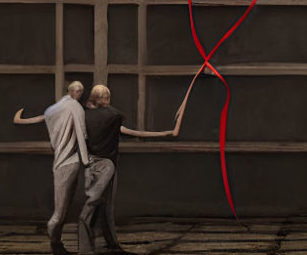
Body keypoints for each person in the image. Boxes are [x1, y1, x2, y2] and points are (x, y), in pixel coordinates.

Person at [78, 84, 184, 255]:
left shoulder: (84, 116)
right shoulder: (113, 117)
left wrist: (166, 133)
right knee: (97, 205)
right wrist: (167, 133)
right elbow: (135, 133)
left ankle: (110, 243)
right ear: (106, 98)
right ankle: (92, 247)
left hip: (90, 165)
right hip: (107, 166)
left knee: (101, 205)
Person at [14, 81, 89, 255]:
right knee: (61, 210)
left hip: (59, 162)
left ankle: (57, 242)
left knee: (62, 207)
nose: (81, 95)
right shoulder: (75, 107)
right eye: (81, 92)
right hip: (70, 162)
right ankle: (55, 242)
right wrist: (86, 160)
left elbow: (31, 120)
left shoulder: (52, 110)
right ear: (77, 92)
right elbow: (81, 132)